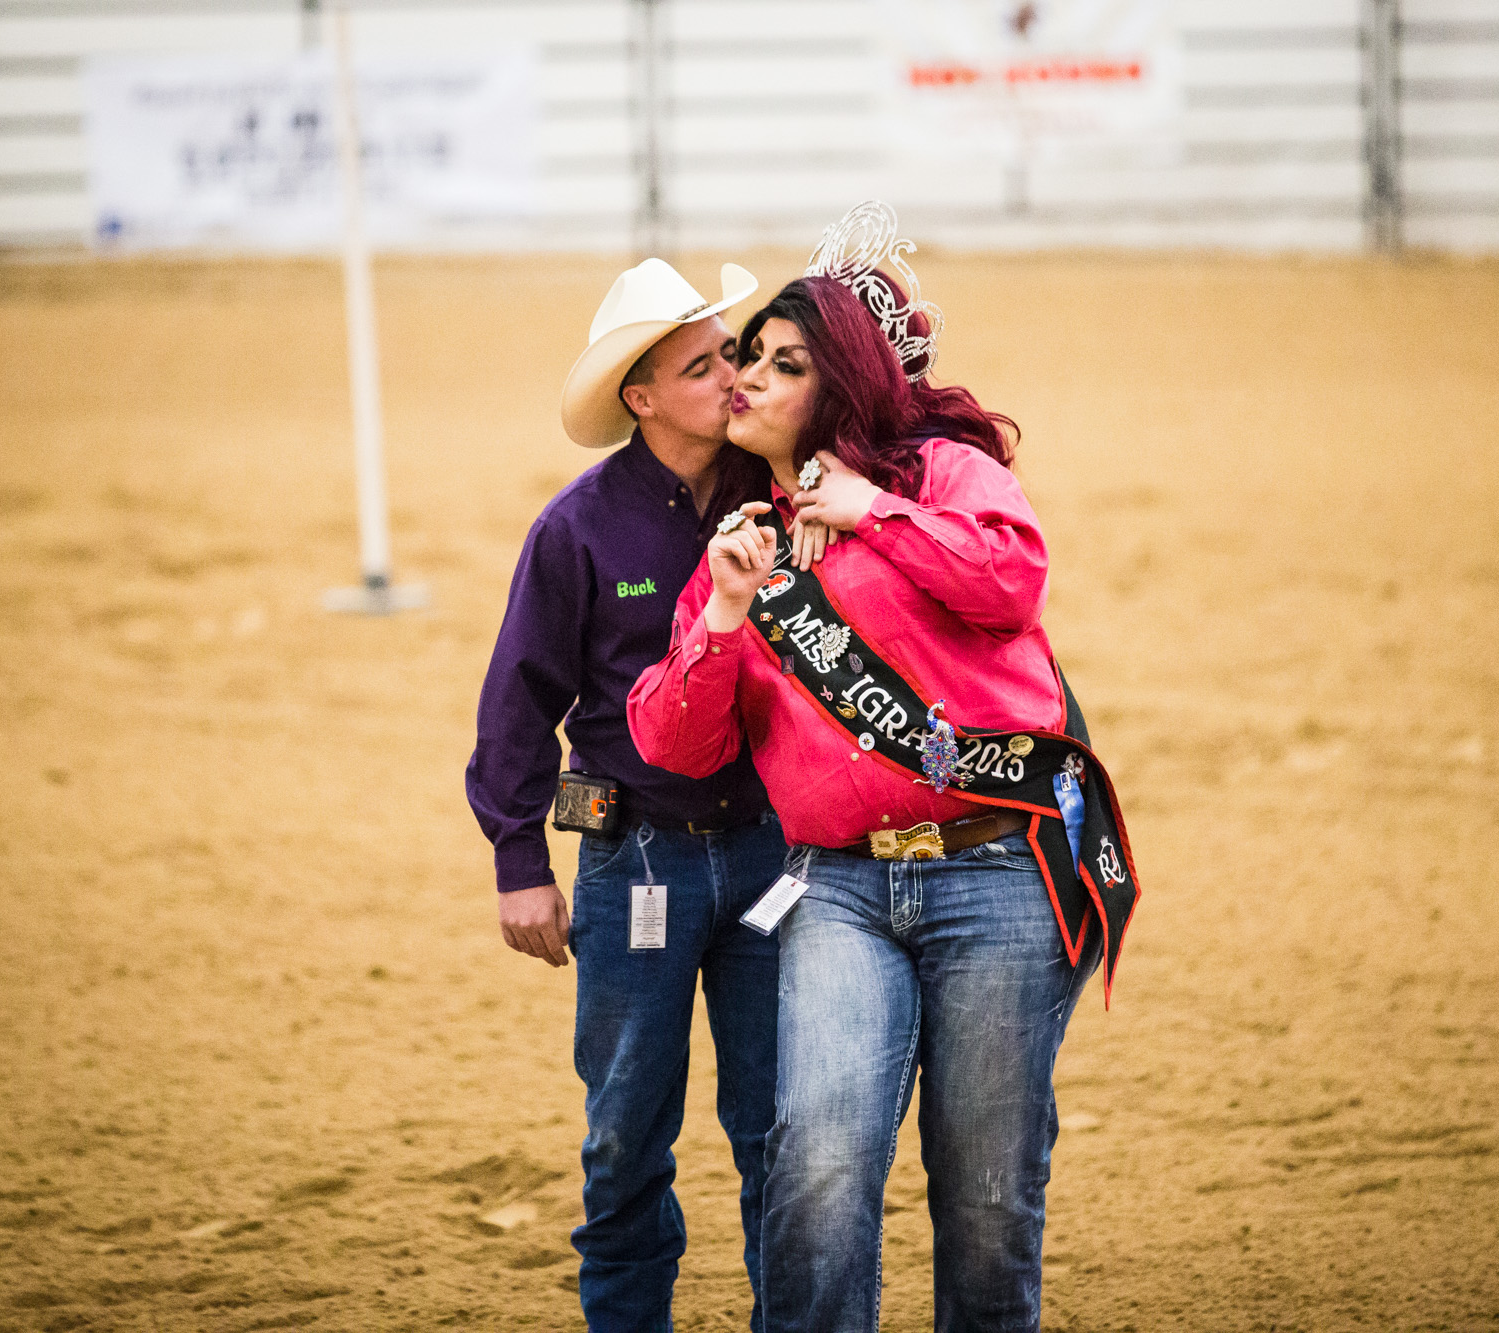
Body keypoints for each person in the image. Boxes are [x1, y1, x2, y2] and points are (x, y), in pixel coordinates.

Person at [627, 203, 1141, 1333]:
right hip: (839, 888)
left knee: (989, 1194)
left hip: (999, 874)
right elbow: (673, 742)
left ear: (843, 381)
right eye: (746, 361)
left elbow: (1011, 577)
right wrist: (721, 611)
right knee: (814, 1157)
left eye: (782, 362)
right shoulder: (748, 552)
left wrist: (872, 509)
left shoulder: (943, 473)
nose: (746, 381)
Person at [467, 257, 827, 1332]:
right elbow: (518, 701)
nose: (733, 377)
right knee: (625, 1129)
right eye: (703, 363)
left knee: (783, 1126)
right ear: (641, 396)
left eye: (733, 355)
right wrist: (519, 864)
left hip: (772, 852)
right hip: (633, 863)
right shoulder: (575, 530)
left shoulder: (788, 495)